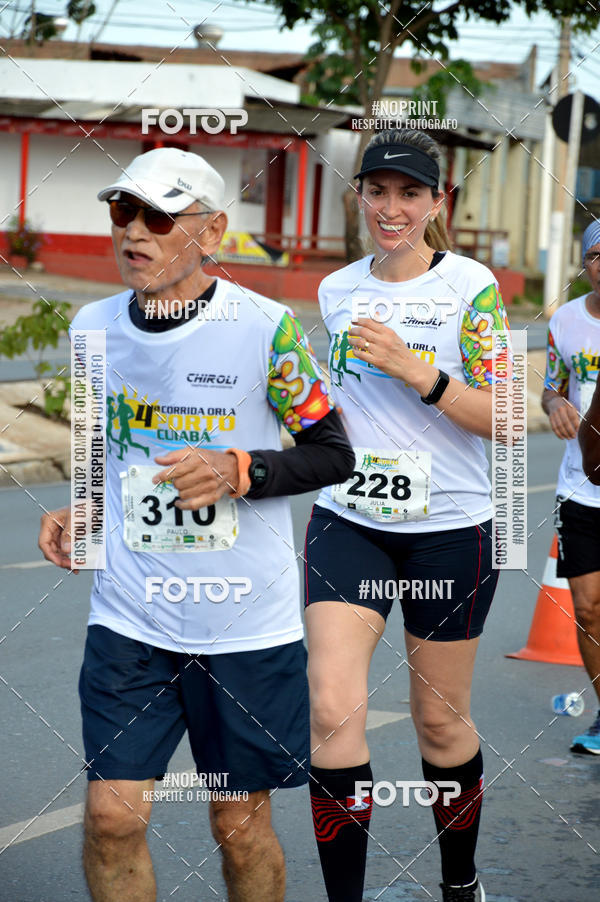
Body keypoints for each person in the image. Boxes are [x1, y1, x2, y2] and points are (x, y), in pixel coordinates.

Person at [38, 147, 354, 902]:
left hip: (244, 626)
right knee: (111, 818)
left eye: (158, 217)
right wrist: (86, 509)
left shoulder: (266, 328)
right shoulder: (92, 325)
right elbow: (98, 448)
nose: (132, 232)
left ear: (211, 232)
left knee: (237, 822)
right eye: (123, 211)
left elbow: (333, 453)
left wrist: (239, 469)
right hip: (130, 619)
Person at [304, 129, 513, 902]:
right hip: (349, 520)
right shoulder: (336, 290)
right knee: (332, 709)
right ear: (359, 195)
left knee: (439, 721)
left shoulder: (471, 287)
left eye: (409, 193)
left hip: (450, 533)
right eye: (377, 191)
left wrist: (417, 372)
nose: (391, 208)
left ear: (435, 202)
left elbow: (506, 419)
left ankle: (460, 882)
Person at [542, 219, 600, 755]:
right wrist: (555, 402)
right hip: (580, 489)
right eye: (598, 254)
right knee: (587, 609)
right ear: (585, 264)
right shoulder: (565, 320)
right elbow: (551, 387)